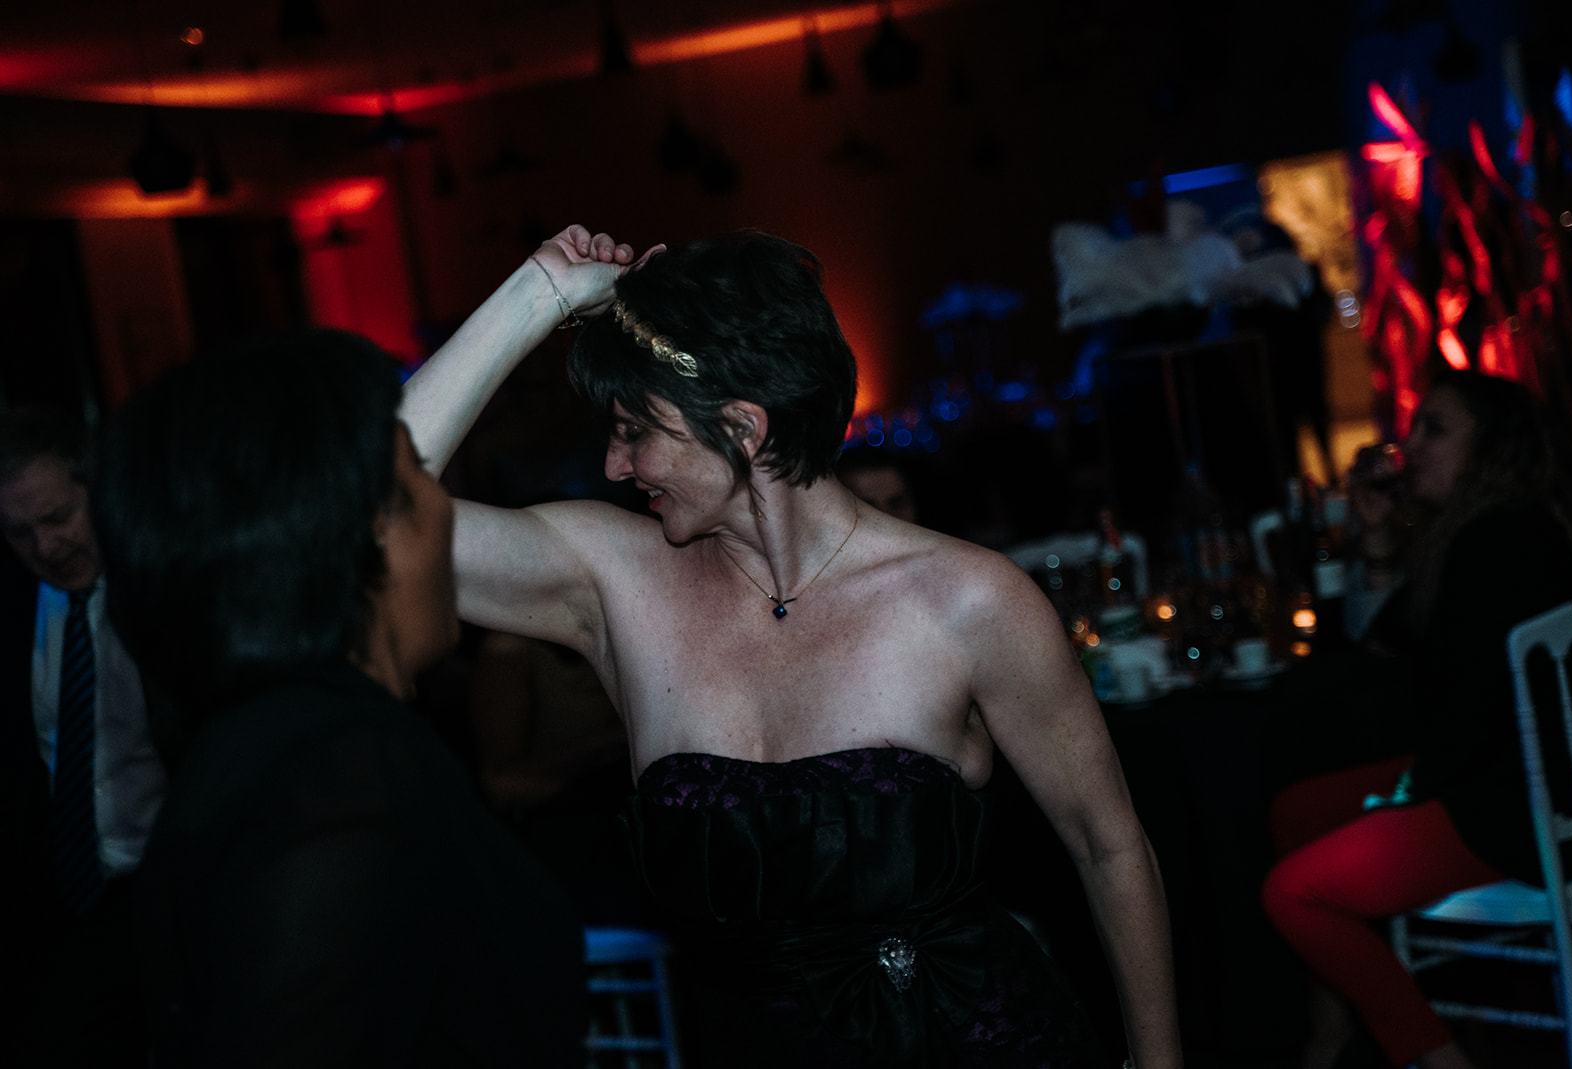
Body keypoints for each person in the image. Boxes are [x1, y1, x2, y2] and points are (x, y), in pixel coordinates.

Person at [401, 225, 1180, 1067]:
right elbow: (361, 518)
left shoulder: (968, 598)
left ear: (741, 428)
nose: (615, 466)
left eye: (635, 431)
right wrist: (538, 292)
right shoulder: (609, 582)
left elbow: (1109, 846)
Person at [92, 332, 584, 1067]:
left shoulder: (273, 744)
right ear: (371, 527)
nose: (446, 503)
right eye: (417, 468)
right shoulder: (340, 774)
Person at [1261, 370, 1572, 1069]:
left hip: (1510, 811)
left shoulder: (1497, 544)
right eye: (1413, 427)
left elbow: (1459, 716)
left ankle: (1440, 1059)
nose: (1410, 445)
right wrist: (1378, 539)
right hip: (1521, 783)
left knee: (1292, 893)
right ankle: (1336, 1027)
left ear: (1491, 447)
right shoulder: (1498, 528)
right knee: (1298, 811)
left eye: (1434, 430)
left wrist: (1405, 798)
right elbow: (1385, 642)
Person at [0, 406, 165, 1066]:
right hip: (64, 908)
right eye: (20, 533)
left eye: (58, 517)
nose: (46, 547)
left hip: (171, 888)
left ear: (98, 490)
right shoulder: (15, 609)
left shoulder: (164, 592)